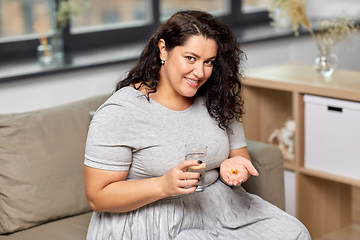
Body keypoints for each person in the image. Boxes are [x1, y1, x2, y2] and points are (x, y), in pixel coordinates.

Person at [84, 10, 311, 240]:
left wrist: (233, 167)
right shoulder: (122, 111)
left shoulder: (216, 97)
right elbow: (97, 197)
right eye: (190, 58)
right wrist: (163, 185)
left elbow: (239, 156)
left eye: (208, 62)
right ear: (163, 49)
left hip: (218, 205)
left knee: (294, 232)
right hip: (149, 215)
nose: (200, 73)